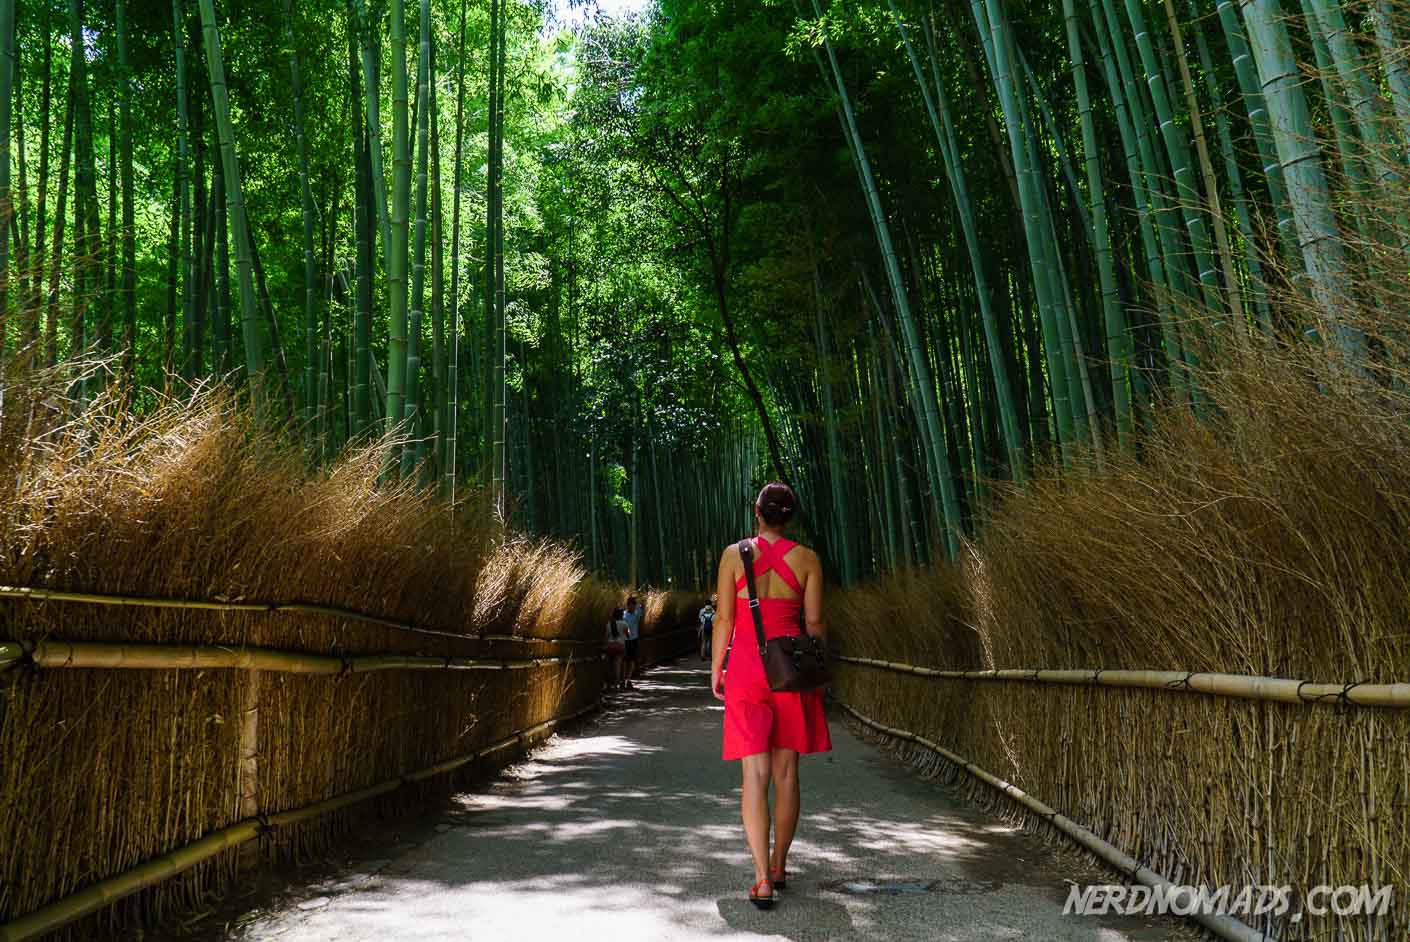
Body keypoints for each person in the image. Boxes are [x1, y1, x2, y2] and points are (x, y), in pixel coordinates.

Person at [711, 482, 831, 910]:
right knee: (786, 775)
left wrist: (717, 667)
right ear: (791, 516)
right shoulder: (808, 559)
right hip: (790, 670)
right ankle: (780, 865)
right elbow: (814, 626)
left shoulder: (733, 555)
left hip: (745, 668)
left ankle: (760, 878)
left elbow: (725, 617)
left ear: (757, 513)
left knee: (754, 777)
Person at [621, 596, 643, 689]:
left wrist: (637, 604)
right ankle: (623, 680)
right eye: (631, 605)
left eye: (634, 605)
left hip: (634, 639)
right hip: (625, 640)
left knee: (632, 660)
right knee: (625, 660)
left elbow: (641, 607)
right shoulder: (623, 614)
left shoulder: (637, 614)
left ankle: (628, 679)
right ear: (627, 605)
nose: (632, 607)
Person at [604, 608, 628, 690]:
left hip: (610, 647)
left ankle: (608, 684)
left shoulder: (609, 624)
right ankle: (616, 685)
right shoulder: (624, 624)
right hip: (620, 647)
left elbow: (606, 636)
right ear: (621, 615)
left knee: (609, 666)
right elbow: (628, 634)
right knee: (617, 666)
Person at [698, 595, 717, 661]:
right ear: (711, 604)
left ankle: (702, 656)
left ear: (705, 604)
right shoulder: (713, 611)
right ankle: (711, 656)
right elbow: (714, 621)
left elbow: (700, 619)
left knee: (703, 642)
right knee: (711, 642)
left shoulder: (701, 611)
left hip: (704, 628)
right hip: (711, 629)